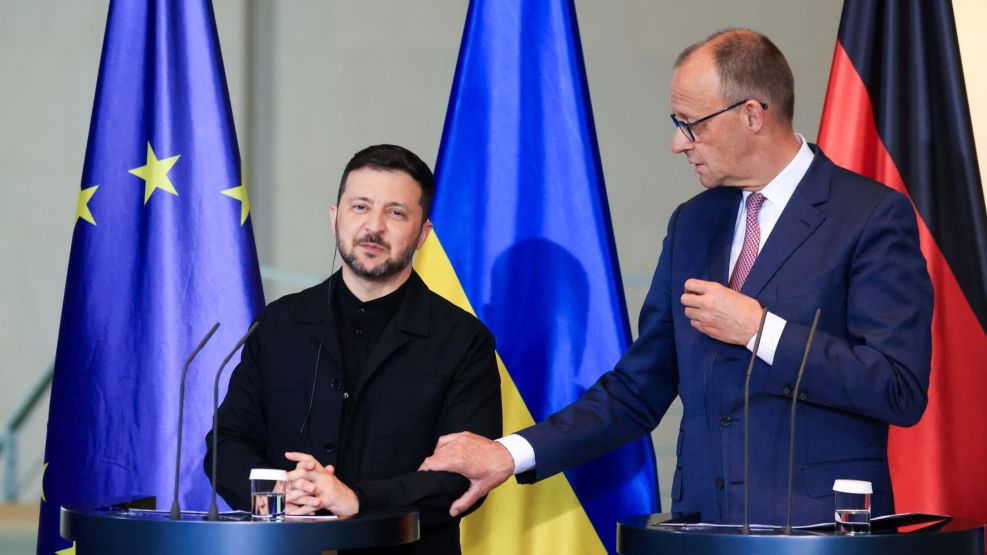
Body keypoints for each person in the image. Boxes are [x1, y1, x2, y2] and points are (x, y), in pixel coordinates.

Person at [420, 29, 933, 525]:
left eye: (691, 124)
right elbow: (636, 389)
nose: (677, 143)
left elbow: (898, 388)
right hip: (700, 530)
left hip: (820, 534)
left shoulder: (868, 216)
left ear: (752, 115)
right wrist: (509, 453)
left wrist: (760, 331)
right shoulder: (692, 223)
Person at [206, 144, 502, 554]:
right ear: (335, 218)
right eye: (360, 207)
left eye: (395, 213)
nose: (373, 227)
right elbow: (227, 441)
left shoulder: (464, 340)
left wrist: (358, 499)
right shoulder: (279, 323)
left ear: (423, 234)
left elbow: (461, 476)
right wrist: (277, 492)